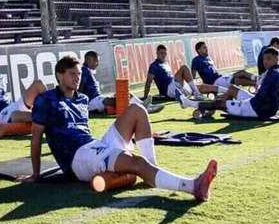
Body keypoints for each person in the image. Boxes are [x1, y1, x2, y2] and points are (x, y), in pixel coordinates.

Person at [26, 56, 217, 201]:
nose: (77, 78)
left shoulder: (82, 99)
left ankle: (152, 170)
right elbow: (35, 138)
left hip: (92, 145)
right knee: (137, 163)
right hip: (76, 158)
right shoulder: (45, 99)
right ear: (60, 75)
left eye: (79, 74)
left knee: (137, 110)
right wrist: (35, 174)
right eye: (72, 74)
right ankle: (192, 186)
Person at [179, 48, 279, 122]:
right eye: (264, 59)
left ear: (277, 59)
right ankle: (209, 108)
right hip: (257, 102)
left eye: (269, 59)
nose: (265, 62)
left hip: (255, 109)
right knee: (233, 89)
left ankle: (189, 103)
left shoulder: (274, 74)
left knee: (219, 104)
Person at [80, 51, 163, 114]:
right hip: (91, 101)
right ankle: (144, 108)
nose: (97, 64)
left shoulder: (87, 71)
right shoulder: (84, 71)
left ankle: (144, 105)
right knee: (116, 100)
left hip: (97, 99)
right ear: (88, 59)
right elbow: (79, 88)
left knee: (126, 94)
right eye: (96, 61)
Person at [143, 45, 219, 100]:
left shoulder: (165, 63)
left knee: (200, 86)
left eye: (164, 53)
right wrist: (145, 96)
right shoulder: (154, 65)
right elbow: (148, 82)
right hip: (168, 90)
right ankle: (196, 94)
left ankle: (226, 91)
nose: (163, 55)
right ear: (157, 53)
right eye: (161, 53)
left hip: (176, 87)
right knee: (184, 67)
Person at [191, 42, 257, 89]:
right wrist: (194, 86)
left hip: (220, 78)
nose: (206, 49)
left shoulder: (208, 57)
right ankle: (257, 82)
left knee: (241, 72)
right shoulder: (196, 60)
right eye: (204, 47)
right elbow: (192, 77)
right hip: (214, 82)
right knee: (237, 79)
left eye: (206, 47)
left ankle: (257, 80)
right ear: (199, 50)